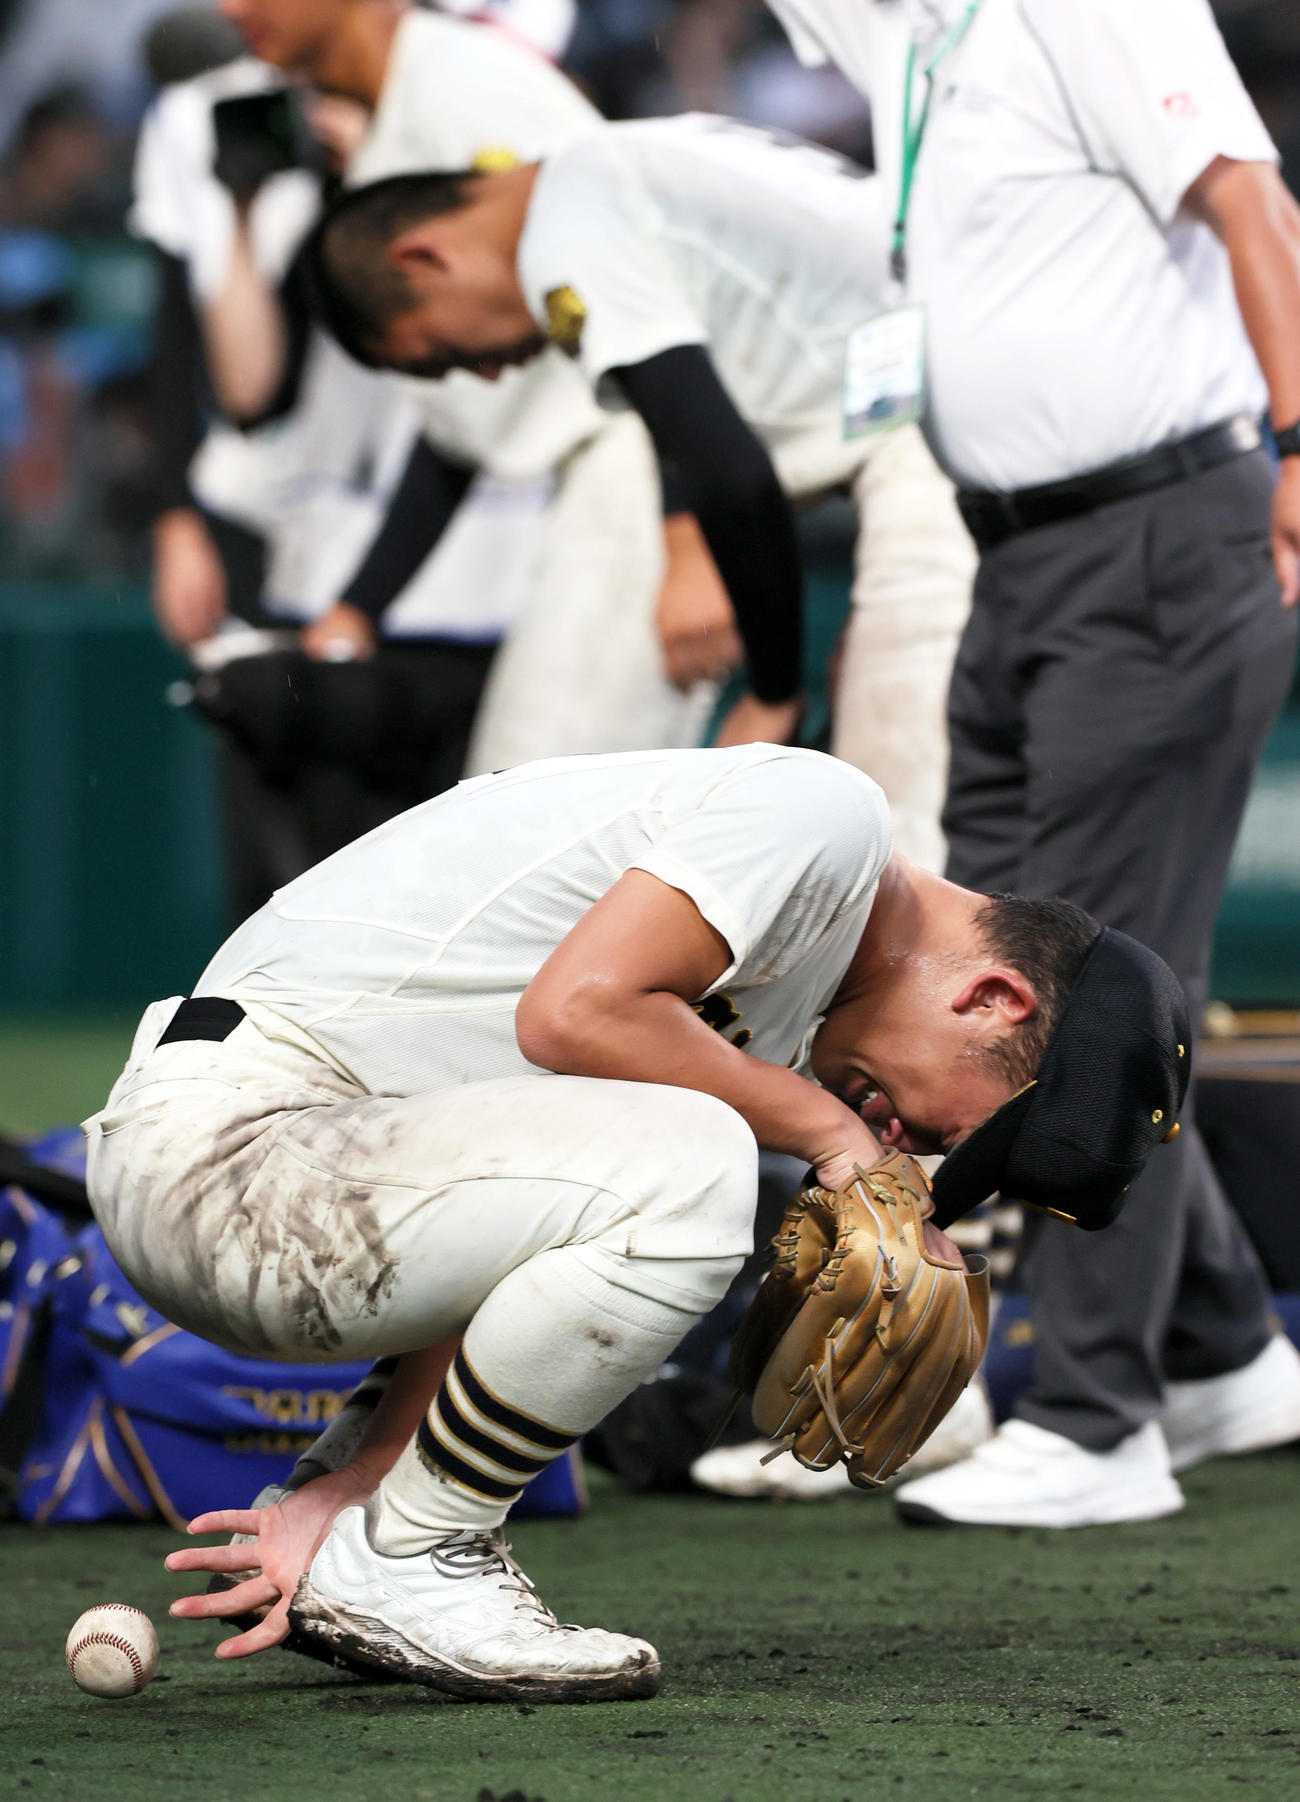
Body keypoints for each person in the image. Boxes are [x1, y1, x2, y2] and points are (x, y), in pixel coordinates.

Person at [84, 742, 1189, 1700]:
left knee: (678, 1150)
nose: (919, 1146)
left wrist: (356, 1477)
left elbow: (509, 1202)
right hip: (239, 1148)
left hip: (297, 1173)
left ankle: (395, 1540)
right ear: (992, 998)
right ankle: (428, 1551)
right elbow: (573, 1010)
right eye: (967, 1129)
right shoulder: (827, 815)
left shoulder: (784, 984)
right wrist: (825, 1132)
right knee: (699, 1156)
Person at [762, 0, 1300, 1526]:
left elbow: (1256, 202)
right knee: (993, 967)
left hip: (1158, 534)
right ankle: (1218, 1347)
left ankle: (1098, 1412)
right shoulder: (920, 34)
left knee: (1081, 997)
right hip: (1021, 561)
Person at [306, 111, 976, 866]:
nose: (486, 373)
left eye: (444, 354)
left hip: (950, 407)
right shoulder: (612, 164)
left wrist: (772, 690)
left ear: (424, 258)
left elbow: (729, 472)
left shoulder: (567, 228)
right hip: (943, 385)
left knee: (905, 820)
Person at [212, 0, 736, 768]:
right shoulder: (395, 115)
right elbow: (467, 416)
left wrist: (690, 539)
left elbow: (665, 290)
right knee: (533, 810)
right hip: (624, 466)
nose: (230, 7)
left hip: (653, 461)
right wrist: (359, 607)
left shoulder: (466, 91)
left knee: (543, 818)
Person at [135, 39, 526, 921]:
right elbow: (240, 389)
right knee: (283, 856)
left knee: (455, 870)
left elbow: (461, 398)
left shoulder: (457, 87)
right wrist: (175, 517)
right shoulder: (213, 115)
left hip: (475, 543)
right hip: (286, 529)